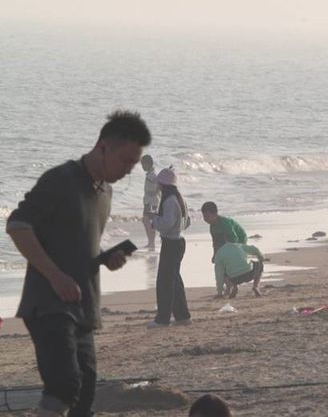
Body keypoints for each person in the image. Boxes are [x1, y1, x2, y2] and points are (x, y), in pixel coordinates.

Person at [6, 110, 150, 416]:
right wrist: (55, 276)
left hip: (83, 306)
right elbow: (18, 225)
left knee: (85, 395)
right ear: (103, 147)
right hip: (48, 304)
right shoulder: (61, 179)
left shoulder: (105, 192)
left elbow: (76, 246)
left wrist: (105, 259)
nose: (128, 170)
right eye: (125, 160)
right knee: (64, 387)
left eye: (134, 164)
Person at [149, 167, 192, 328]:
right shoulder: (180, 198)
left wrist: (154, 221)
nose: (158, 187)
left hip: (171, 243)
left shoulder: (169, 201)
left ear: (164, 185)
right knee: (174, 281)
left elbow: (166, 224)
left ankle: (163, 319)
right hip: (179, 241)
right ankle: (182, 316)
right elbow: (187, 222)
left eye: (159, 184)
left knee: (165, 283)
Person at [141, 154, 161, 251]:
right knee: (146, 220)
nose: (142, 166)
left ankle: (151, 242)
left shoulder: (153, 174)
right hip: (148, 201)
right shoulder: (150, 174)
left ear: (148, 164)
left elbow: (159, 184)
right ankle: (150, 242)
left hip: (152, 202)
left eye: (143, 164)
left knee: (148, 221)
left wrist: (155, 192)